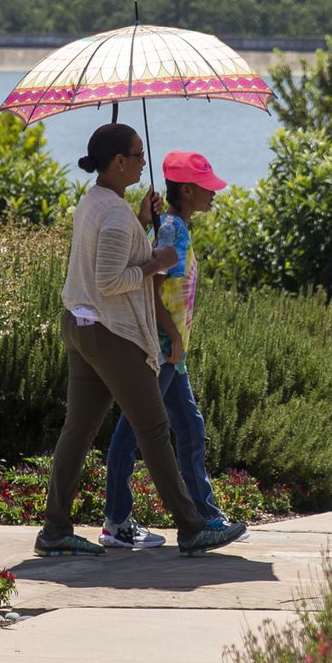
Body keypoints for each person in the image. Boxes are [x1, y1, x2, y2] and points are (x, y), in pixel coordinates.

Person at [36, 124, 247, 558]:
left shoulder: (95, 202)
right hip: (112, 334)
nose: (143, 161)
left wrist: (141, 222)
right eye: (137, 154)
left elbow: (110, 251)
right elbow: (112, 280)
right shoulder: (113, 214)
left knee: (78, 431)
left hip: (80, 326)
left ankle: (55, 529)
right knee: (153, 429)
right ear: (118, 162)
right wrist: (159, 262)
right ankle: (192, 528)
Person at [100, 150, 245, 549]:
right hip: (163, 350)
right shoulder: (173, 232)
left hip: (171, 354)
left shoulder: (173, 225)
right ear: (186, 189)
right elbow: (153, 285)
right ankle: (117, 521)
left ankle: (207, 517)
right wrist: (175, 340)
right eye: (206, 188)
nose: (213, 194)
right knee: (133, 432)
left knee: (189, 427)